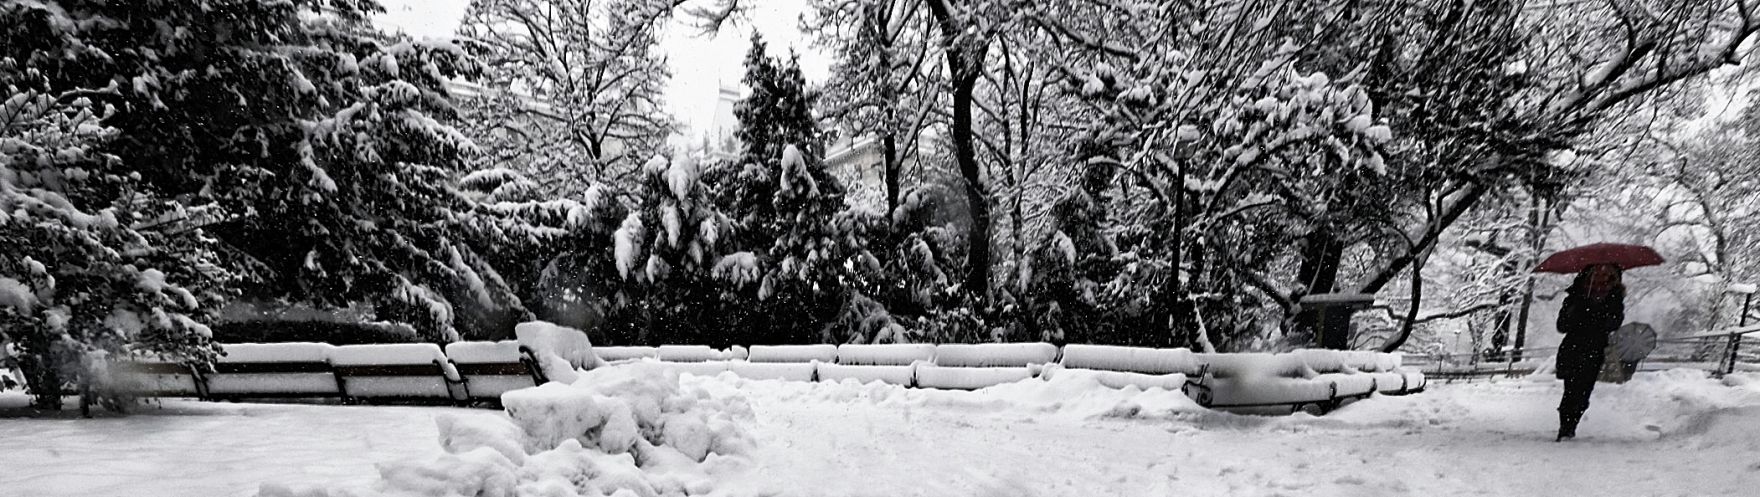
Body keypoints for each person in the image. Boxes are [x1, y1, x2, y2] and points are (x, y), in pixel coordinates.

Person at [1553, 263, 1626, 441]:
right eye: (1597, 273)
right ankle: (1566, 428)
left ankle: (1572, 424)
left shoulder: (1614, 298)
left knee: (1583, 392)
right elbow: (1561, 326)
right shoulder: (1575, 296)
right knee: (1570, 390)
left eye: (1606, 274)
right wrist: (1576, 310)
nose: (1601, 277)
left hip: (1595, 349)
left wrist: (1601, 313)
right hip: (1572, 347)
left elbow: (1614, 324)